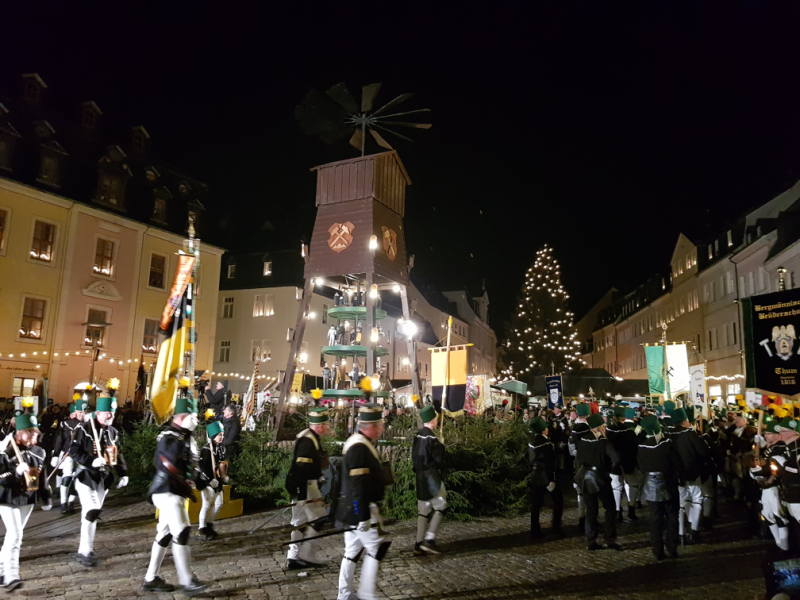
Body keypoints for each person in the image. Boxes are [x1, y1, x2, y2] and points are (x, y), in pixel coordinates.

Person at [142, 396, 207, 595]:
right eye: (192, 416)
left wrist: (202, 480)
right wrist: (182, 439)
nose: (196, 420)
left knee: (165, 533)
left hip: (176, 492)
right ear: (181, 417)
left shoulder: (186, 438)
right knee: (182, 530)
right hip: (167, 490)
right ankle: (187, 581)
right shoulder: (169, 437)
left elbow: (191, 466)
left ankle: (150, 578)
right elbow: (166, 461)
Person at [337, 405, 390, 600]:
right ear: (371, 426)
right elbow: (357, 485)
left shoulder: (359, 443)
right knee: (376, 549)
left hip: (354, 509)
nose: (382, 429)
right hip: (360, 509)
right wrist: (363, 515)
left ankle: (344, 595)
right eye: (380, 425)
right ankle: (366, 594)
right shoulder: (359, 448)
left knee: (351, 552)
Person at [69, 396, 128, 567]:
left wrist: (123, 473)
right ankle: (85, 551)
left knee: (91, 516)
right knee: (92, 509)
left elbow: (117, 454)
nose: (111, 416)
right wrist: (91, 461)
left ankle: (85, 549)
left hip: (103, 477)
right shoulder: (85, 428)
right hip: (86, 475)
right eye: (108, 413)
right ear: (99, 413)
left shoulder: (113, 432)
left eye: (113, 413)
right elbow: (73, 451)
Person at [0, 413, 52, 590]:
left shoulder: (39, 452)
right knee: (16, 535)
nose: (34, 436)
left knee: (13, 535)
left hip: (28, 498)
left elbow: (42, 476)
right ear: (19, 432)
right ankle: (11, 576)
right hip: (7, 497)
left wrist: (46, 496)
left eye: (35, 433)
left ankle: (1, 569)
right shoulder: (5, 450)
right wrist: (14, 473)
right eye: (29, 432)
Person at [285, 407, 330, 570]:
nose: (328, 427)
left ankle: (293, 557)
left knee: (299, 522)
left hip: (303, 486)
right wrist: (302, 495)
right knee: (318, 519)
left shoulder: (310, 437)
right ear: (319, 426)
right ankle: (307, 554)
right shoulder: (307, 440)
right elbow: (301, 468)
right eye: (326, 424)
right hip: (305, 486)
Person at [574, 412, 620, 551]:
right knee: (610, 507)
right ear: (599, 428)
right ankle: (609, 538)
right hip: (600, 477)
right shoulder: (603, 442)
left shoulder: (582, 440)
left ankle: (591, 540)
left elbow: (578, 460)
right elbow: (616, 458)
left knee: (591, 509)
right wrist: (610, 468)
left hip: (585, 476)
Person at [638, 415, 680, 561]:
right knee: (672, 516)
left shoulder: (642, 447)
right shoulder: (667, 444)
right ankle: (672, 548)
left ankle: (657, 550)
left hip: (650, 484)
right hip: (667, 483)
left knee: (655, 518)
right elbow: (676, 463)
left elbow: (641, 467)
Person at [667, 406, 711, 545]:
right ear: (684, 421)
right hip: (691, 472)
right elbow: (703, 451)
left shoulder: (667, 434)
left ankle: (681, 534)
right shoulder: (690, 434)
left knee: (681, 503)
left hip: (675, 474)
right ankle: (693, 531)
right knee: (697, 499)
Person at [750, 417, 789, 552]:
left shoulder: (779, 448)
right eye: (765, 433)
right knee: (767, 515)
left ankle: (784, 546)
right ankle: (778, 542)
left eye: (769, 433)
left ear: (778, 435)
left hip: (775, 486)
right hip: (765, 487)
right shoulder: (770, 447)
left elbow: (774, 467)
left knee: (778, 515)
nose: (766, 436)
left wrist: (760, 471)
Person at [412, 405, 447, 554]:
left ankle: (419, 543)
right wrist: (441, 445)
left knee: (423, 509)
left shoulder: (417, 436)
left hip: (420, 476)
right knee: (441, 506)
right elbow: (439, 459)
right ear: (432, 420)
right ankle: (429, 539)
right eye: (436, 420)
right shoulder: (432, 438)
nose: (437, 422)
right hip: (431, 476)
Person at [528, 415, 563, 538]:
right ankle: (556, 527)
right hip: (545, 476)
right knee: (558, 501)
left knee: (536, 504)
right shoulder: (545, 444)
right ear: (543, 430)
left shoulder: (532, 441)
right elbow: (549, 463)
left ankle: (535, 529)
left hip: (535, 475)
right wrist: (552, 479)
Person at [606, 406, 641, 523]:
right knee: (633, 485)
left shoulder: (608, 431)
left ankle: (618, 512)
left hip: (614, 463)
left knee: (616, 487)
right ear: (624, 418)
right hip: (629, 461)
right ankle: (631, 508)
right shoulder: (630, 431)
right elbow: (636, 446)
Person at [51, 400, 86, 515]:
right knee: (67, 477)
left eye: (84, 412)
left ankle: (71, 501)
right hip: (69, 454)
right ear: (75, 412)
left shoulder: (88, 425)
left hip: (82, 456)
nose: (82, 414)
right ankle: (63, 503)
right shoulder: (67, 424)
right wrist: (56, 454)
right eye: (80, 412)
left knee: (79, 480)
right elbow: (59, 440)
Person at [196, 420, 227, 542]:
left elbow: (221, 464)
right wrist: (209, 480)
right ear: (213, 436)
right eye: (219, 435)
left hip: (217, 481)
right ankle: (202, 528)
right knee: (206, 505)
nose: (222, 437)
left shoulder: (219, 448)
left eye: (222, 435)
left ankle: (209, 524)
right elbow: (202, 466)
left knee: (219, 503)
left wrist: (223, 475)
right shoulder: (206, 449)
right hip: (207, 481)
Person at [569, 402, 592, 532]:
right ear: (587, 415)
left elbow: (571, 447)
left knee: (580, 490)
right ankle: (588, 519)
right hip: (587, 460)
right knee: (588, 490)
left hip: (577, 459)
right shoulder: (586, 428)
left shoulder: (574, 427)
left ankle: (581, 517)